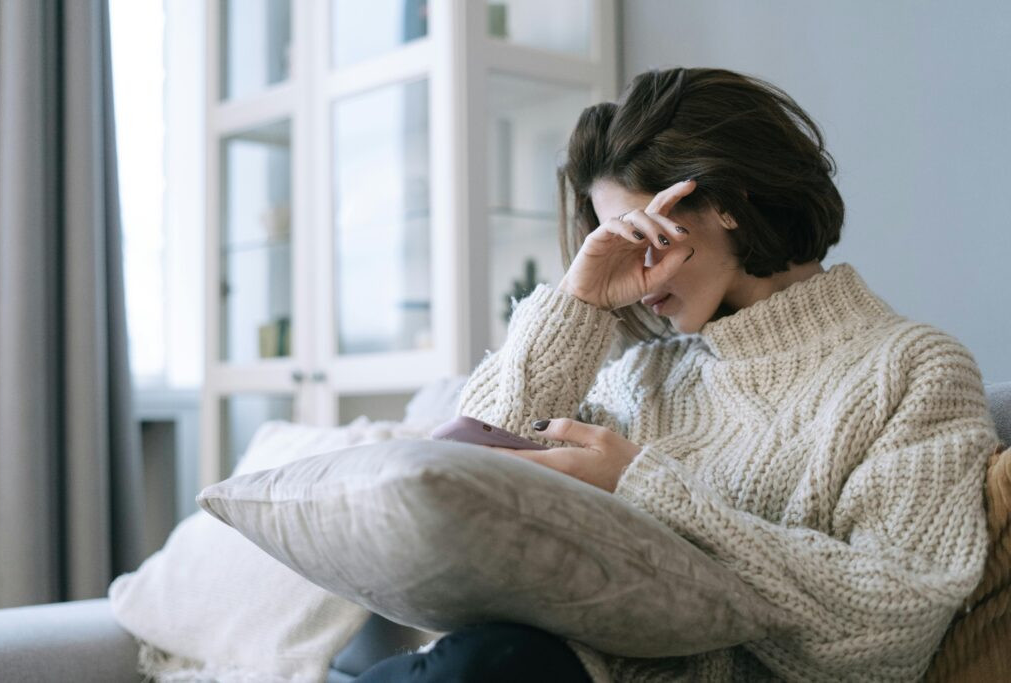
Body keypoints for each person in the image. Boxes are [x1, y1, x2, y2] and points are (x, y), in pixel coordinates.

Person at [355, 67, 1001, 682]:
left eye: (644, 233)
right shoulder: (641, 374)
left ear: (729, 202)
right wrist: (577, 301)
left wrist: (646, 488)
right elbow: (460, 477)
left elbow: (893, 625)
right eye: (611, 240)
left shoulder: (911, 366)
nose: (637, 279)